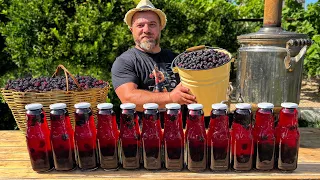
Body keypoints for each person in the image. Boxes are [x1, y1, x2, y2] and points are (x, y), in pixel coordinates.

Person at [111, 0, 197, 126]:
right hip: (143, 138)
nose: (146, 30)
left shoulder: (176, 59)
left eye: (152, 24)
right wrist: (171, 97)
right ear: (131, 30)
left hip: (179, 133)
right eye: (140, 25)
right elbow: (129, 98)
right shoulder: (125, 61)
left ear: (160, 27)